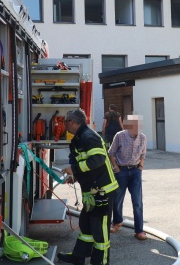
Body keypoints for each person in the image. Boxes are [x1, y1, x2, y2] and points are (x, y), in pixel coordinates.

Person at [59, 108, 119, 265]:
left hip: (102, 191)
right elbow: (88, 164)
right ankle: (79, 257)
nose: (64, 124)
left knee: (100, 231)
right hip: (91, 191)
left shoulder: (89, 136)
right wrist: (76, 176)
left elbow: (98, 159)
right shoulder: (79, 138)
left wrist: (75, 170)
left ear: (72, 122)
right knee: (86, 224)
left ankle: (100, 262)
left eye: (65, 121)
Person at [107, 115, 147, 240]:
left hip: (135, 171)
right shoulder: (120, 136)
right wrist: (116, 168)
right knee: (118, 199)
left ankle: (139, 230)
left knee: (137, 201)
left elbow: (143, 154)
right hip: (121, 171)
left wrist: (140, 166)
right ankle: (117, 221)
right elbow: (111, 153)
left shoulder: (142, 137)